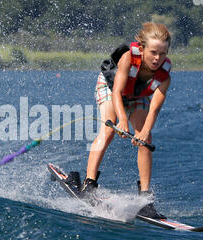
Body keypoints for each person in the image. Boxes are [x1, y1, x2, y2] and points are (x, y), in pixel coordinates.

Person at [69, 22, 172, 219]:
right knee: (108, 129)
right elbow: (116, 92)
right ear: (141, 49)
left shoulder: (165, 77)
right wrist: (122, 120)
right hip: (111, 88)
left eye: (163, 53)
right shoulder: (128, 58)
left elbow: (154, 110)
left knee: (146, 139)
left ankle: (145, 201)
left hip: (136, 96)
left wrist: (142, 133)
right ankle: (89, 184)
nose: (158, 58)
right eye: (153, 53)